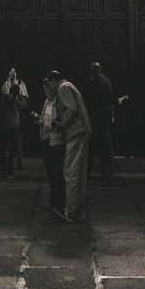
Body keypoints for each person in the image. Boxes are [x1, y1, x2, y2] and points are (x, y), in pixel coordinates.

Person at [43, 68, 92, 222]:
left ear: (53, 81)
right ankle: (78, 208)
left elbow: (71, 109)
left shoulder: (63, 87)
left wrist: (61, 125)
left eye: (49, 83)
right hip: (82, 130)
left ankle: (71, 211)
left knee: (70, 171)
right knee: (79, 171)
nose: (49, 87)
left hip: (76, 132)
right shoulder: (70, 86)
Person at [36, 76, 66, 215]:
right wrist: (40, 120)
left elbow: (61, 121)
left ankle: (59, 203)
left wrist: (48, 123)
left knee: (57, 173)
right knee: (50, 173)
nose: (45, 91)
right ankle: (54, 202)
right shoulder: (47, 102)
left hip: (56, 141)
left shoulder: (58, 102)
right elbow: (44, 118)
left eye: (47, 88)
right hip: (46, 139)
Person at [0, 65, 28, 177]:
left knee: (10, 147)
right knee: (8, 148)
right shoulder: (8, 93)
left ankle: (6, 167)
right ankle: (7, 169)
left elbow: (23, 101)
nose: (13, 75)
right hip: (11, 125)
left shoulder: (19, 86)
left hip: (10, 124)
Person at [85, 61, 116, 180]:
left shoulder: (95, 81)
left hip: (97, 118)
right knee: (104, 146)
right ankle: (106, 172)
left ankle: (98, 171)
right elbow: (111, 99)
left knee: (95, 146)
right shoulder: (104, 81)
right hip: (100, 118)